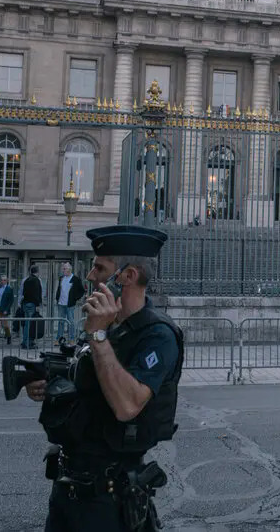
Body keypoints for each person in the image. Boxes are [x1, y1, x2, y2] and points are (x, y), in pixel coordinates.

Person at [24, 225, 184, 532]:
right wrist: (53, 386)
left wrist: (97, 336)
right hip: (68, 489)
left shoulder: (157, 335)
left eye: (100, 268)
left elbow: (127, 405)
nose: (90, 276)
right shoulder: (108, 326)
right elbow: (91, 387)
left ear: (128, 276)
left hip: (108, 500)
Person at [54, 263, 86, 345]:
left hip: (70, 305)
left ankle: (72, 339)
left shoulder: (75, 279)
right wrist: (57, 298)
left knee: (71, 322)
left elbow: (82, 291)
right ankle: (58, 339)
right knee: (61, 322)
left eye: (64, 268)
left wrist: (75, 298)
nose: (63, 270)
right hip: (61, 304)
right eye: (63, 268)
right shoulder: (61, 278)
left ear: (69, 270)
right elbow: (59, 289)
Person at [20, 265, 44, 350]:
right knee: (30, 324)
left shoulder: (26, 280)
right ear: (37, 272)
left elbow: (23, 293)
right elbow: (37, 294)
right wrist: (38, 305)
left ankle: (25, 341)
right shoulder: (36, 280)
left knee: (27, 324)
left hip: (25, 303)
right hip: (32, 304)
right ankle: (27, 343)